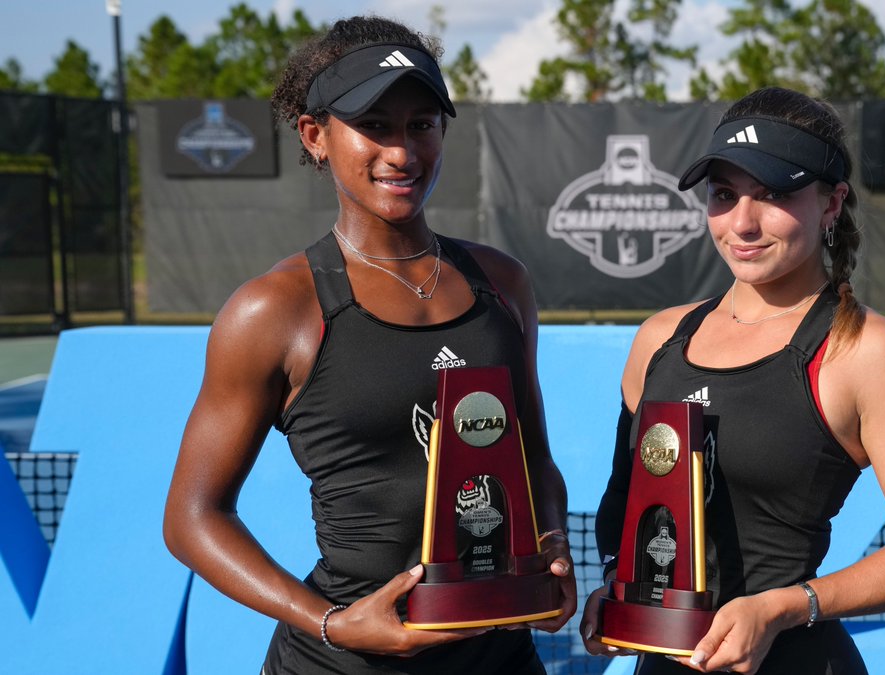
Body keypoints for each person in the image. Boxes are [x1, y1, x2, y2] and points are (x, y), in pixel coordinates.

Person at [163, 16, 576, 674]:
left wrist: (552, 543)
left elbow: (534, 459)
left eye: (420, 124)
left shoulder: (503, 284)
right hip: (342, 662)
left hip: (500, 655)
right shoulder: (273, 309)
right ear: (315, 136)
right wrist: (328, 621)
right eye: (375, 126)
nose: (402, 152)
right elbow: (192, 517)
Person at [579, 87, 885, 674]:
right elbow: (624, 502)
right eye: (724, 194)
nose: (743, 222)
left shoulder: (869, 351)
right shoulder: (659, 339)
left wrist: (786, 607)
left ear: (832, 203)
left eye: (774, 195)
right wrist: (619, 586)